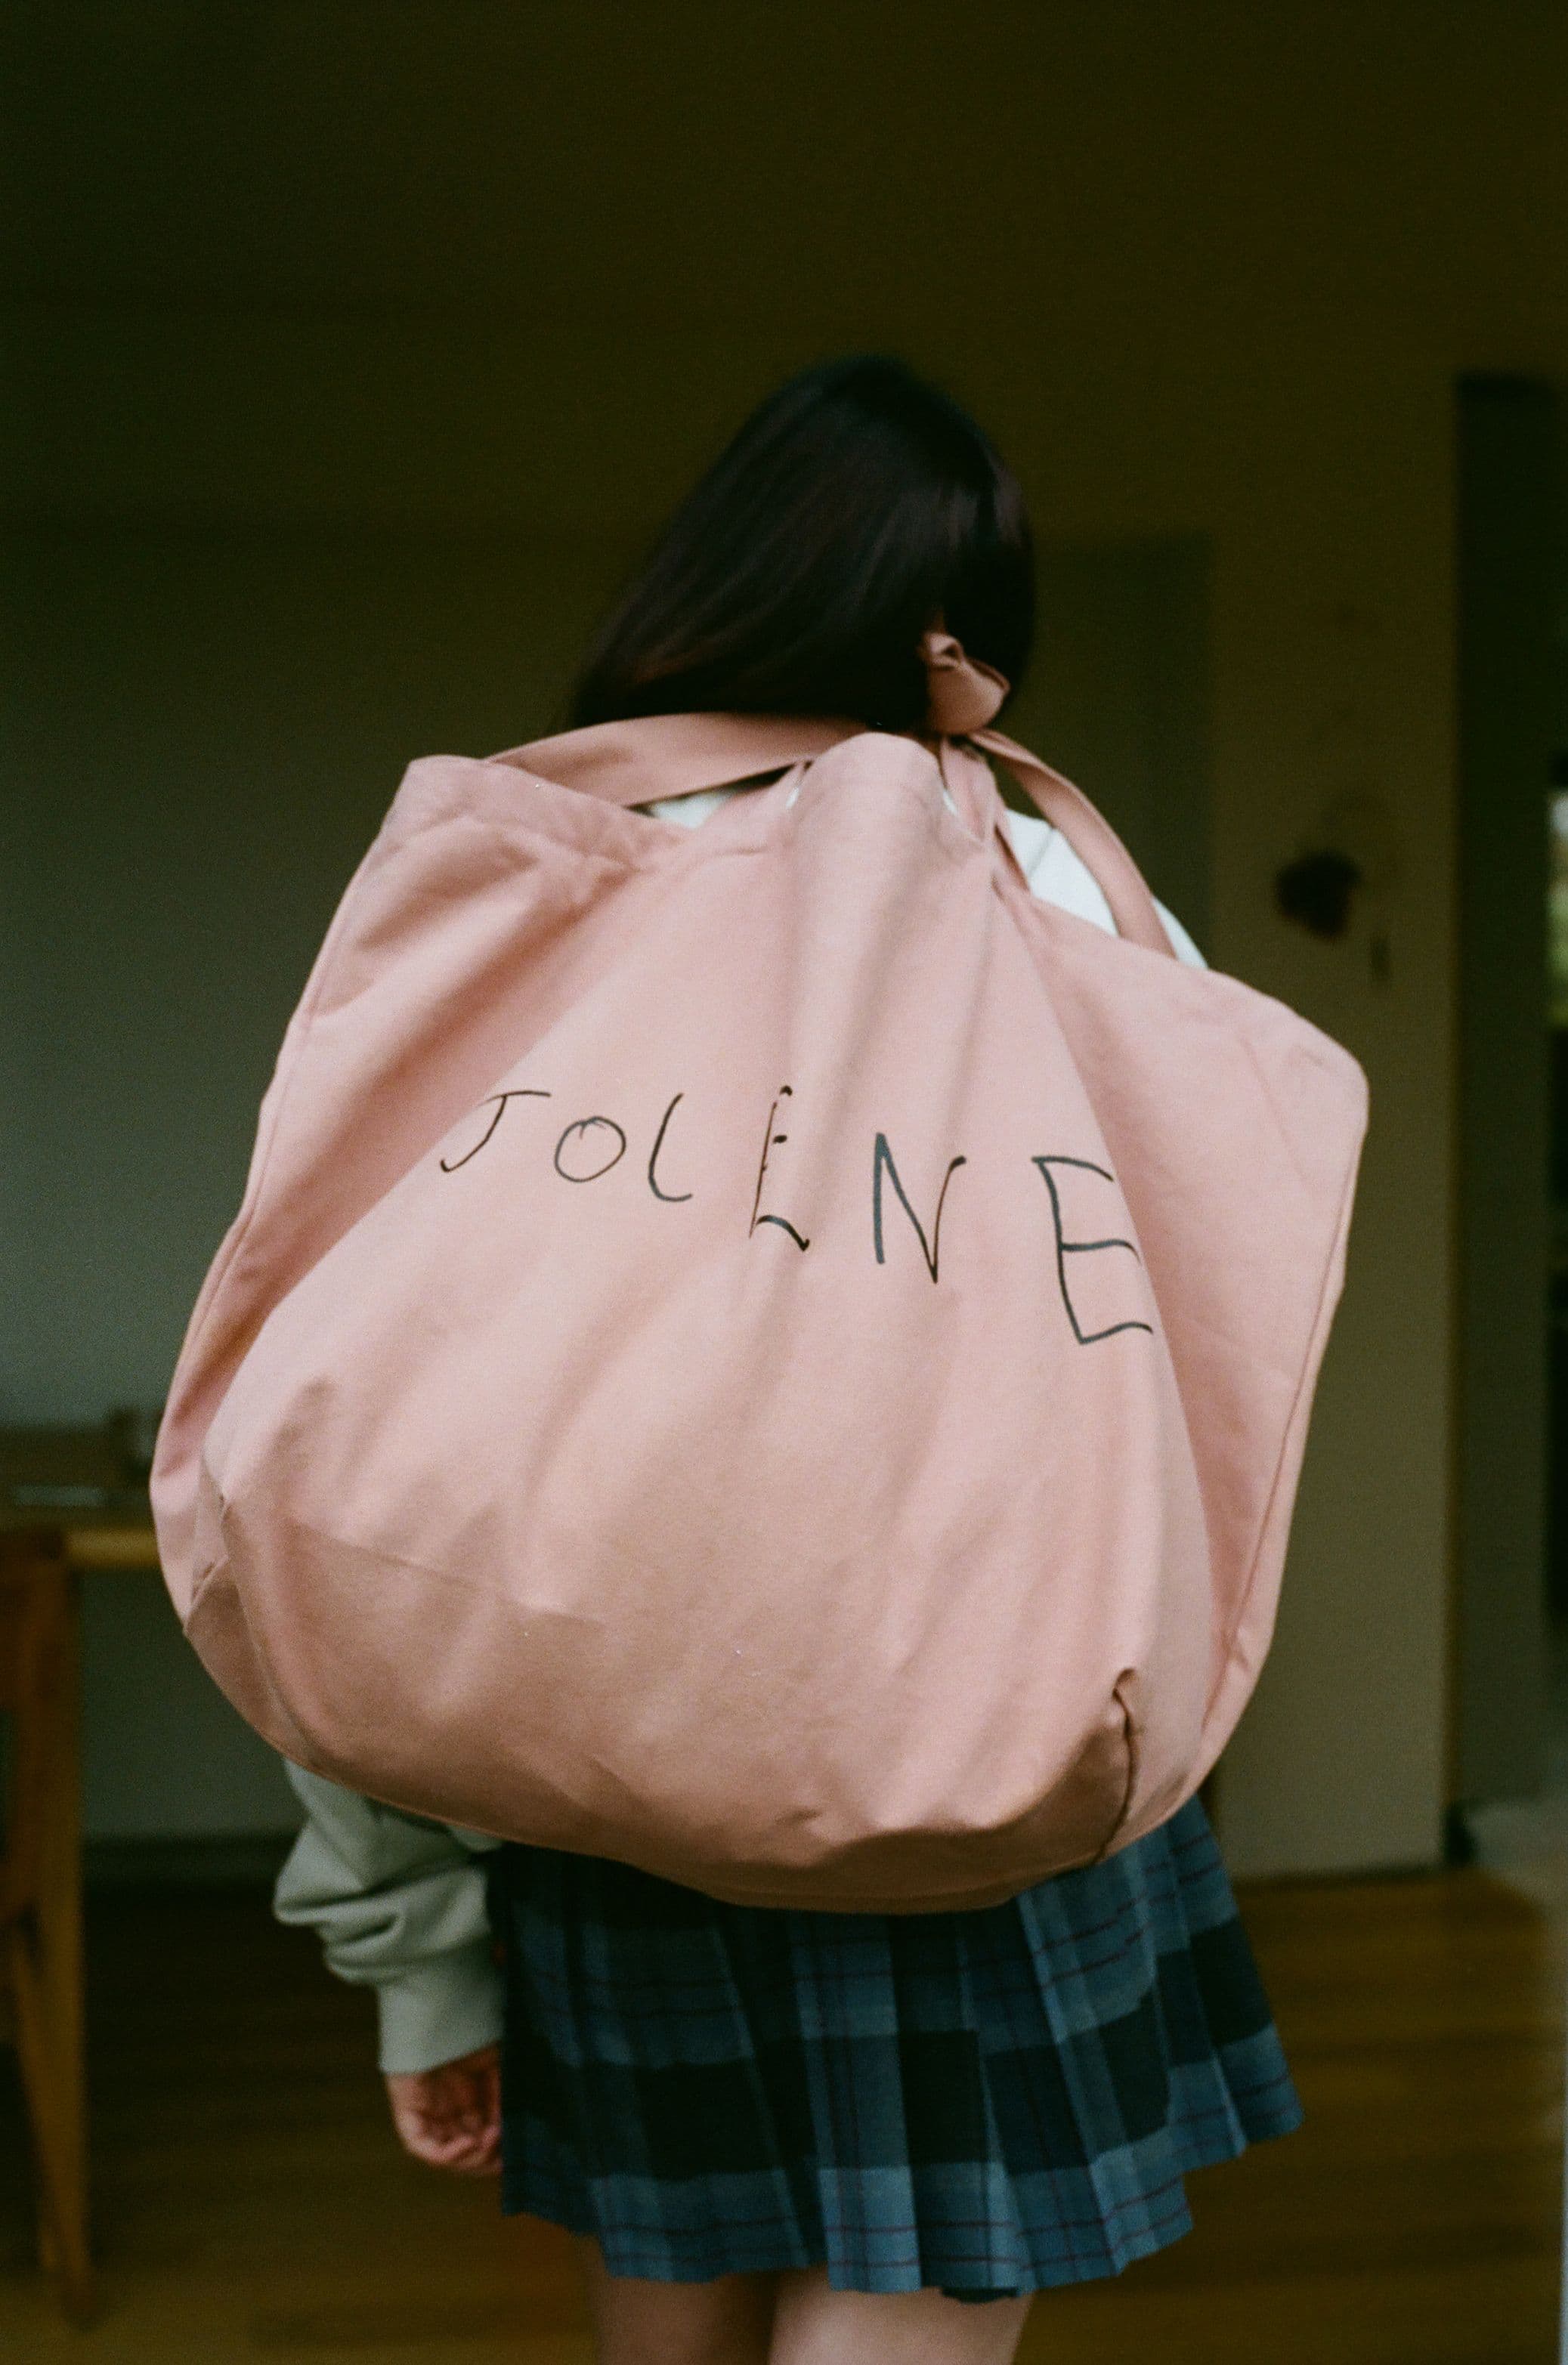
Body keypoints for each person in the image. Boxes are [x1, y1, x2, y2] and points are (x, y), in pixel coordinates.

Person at [271, 354, 1300, 2365]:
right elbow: (1185, 1357)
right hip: (978, 1774)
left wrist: (413, 1950)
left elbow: (361, 1435)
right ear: (952, 647)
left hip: (598, 1752)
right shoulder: (1049, 881)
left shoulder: (518, 872)